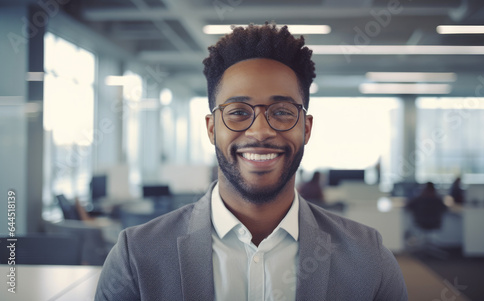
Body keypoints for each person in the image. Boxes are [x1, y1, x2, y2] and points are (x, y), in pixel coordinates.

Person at [95, 23, 408, 300]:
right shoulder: (135, 257)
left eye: (283, 112)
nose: (260, 131)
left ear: (306, 128)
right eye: (238, 112)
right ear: (211, 128)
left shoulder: (370, 259)